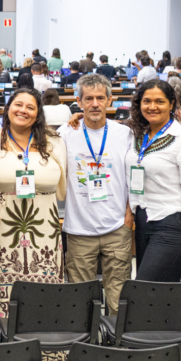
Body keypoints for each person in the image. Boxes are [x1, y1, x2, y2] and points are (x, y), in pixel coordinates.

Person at [0, 88, 67, 325]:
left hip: (44, 231)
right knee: (0, 292)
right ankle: (3, 353)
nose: (23, 111)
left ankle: (43, 354)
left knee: (42, 291)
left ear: (38, 113)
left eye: (30, 107)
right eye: (18, 105)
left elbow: (63, 184)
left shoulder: (54, 141)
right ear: (8, 109)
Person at [59, 74, 133, 315]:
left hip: (116, 227)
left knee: (118, 296)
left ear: (109, 100)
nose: (94, 104)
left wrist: (129, 214)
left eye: (100, 98)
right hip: (79, 228)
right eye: (88, 98)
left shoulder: (125, 134)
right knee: (80, 297)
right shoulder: (64, 134)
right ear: (78, 102)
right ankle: (86, 348)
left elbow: (135, 177)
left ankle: (117, 347)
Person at [124, 79, 181, 282]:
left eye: (159, 101)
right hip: (143, 221)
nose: (152, 107)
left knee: (144, 289)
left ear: (171, 104)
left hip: (171, 223)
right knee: (156, 296)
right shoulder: (137, 135)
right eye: (146, 101)